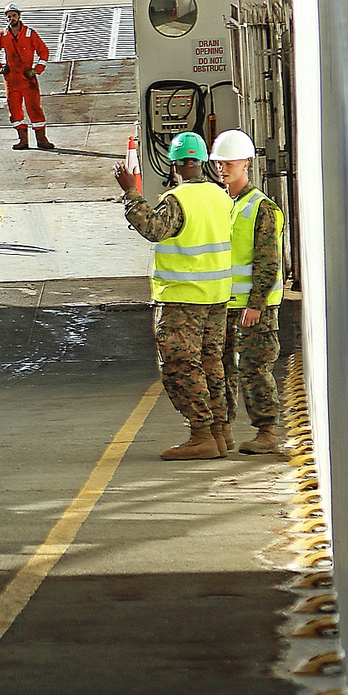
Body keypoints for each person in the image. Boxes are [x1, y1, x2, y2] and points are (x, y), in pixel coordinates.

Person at [114, 131, 234, 459]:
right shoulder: (222, 197)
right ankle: (221, 432)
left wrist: (131, 193)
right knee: (212, 362)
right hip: (217, 296)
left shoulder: (178, 200)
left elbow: (153, 228)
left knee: (182, 364)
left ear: (175, 165)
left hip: (183, 298)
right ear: (203, 162)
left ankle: (201, 435)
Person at [210, 129, 285, 454]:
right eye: (218, 164)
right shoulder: (225, 205)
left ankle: (266, 432)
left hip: (255, 308)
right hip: (225, 305)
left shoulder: (261, 208)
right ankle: (223, 430)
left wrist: (255, 304)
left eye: (228, 163)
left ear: (246, 164)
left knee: (254, 368)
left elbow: (268, 261)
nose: (222, 169)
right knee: (223, 368)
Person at [0, 3, 55, 150]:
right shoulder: (3, 35)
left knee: (34, 108)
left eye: (14, 16)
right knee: (14, 110)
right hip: (11, 80)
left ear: (19, 16)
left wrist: (36, 70)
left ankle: (42, 140)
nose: (11, 19)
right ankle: (23, 140)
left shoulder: (30, 34)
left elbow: (44, 52)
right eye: (9, 17)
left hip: (28, 79)